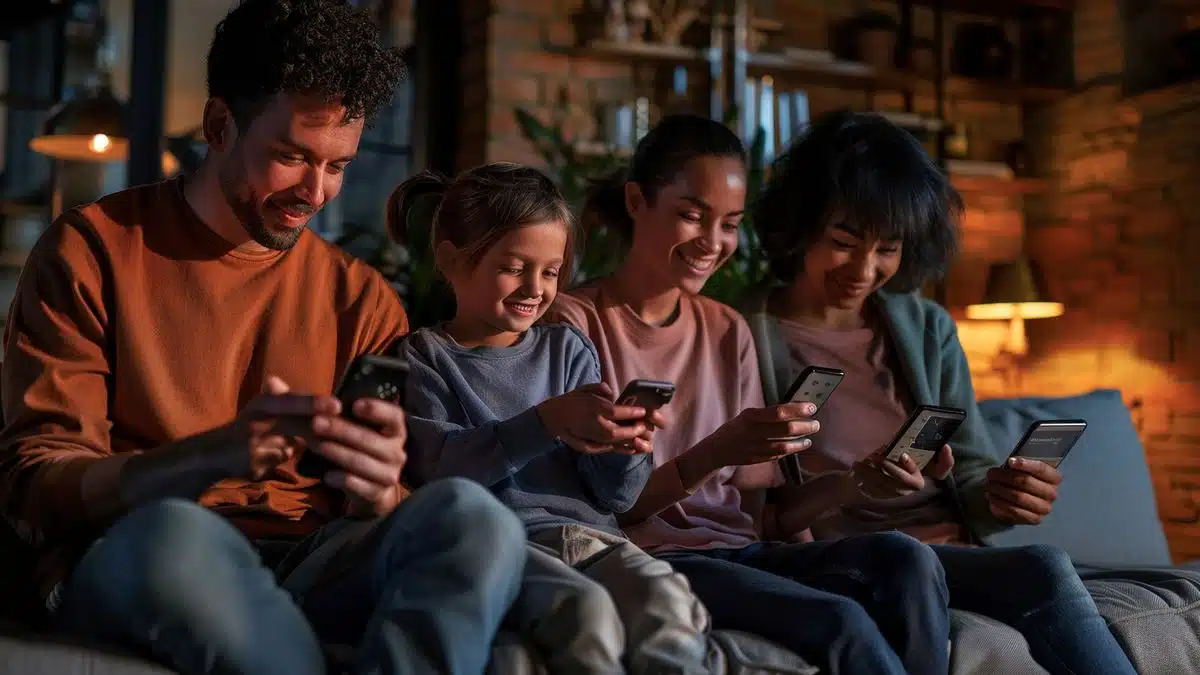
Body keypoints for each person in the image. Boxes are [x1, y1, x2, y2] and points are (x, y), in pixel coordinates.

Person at [0, 2, 526, 674]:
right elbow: (35, 485)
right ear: (220, 126)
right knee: (177, 532)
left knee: (473, 517)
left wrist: (378, 490)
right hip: (140, 544)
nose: (316, 191)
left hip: (307, 559)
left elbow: (385, 501)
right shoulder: (90, 252)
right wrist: (203, 459)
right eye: (291, 156)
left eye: (338, 165)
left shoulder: (360, 297)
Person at [544, 114, 951, 675]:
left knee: (906, 559)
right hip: (655, 556)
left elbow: (762, 519)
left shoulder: (728, 328)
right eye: (692, 216)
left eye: (730, 224)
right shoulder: (573, 324)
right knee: (842, 621)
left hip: (745, 552)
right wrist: (717, 450)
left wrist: (850, 489)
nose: (713, 243)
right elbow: (608, 512)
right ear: (636, 200)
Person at [742, 109, 1138, 675]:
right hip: (851, 559)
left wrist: (1005, 497)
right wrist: (849, 488)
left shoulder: (926, 329)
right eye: (843, 241)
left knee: (1045, 565)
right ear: (800, 227)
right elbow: (755, 505)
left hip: (950, 552)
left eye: (889, 248)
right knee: (960, 563)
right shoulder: (744, 333)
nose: (864, 267)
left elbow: (971, 477)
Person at [392, 163, 711, 675]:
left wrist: (626, 451)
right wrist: (542, 422)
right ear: (453, 261)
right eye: (514, 267)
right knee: (587, 618)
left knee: (666, 600)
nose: (534, 288)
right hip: (505, 544)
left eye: (549, 272)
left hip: (597, 540)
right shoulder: (428, 357)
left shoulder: (568, 350)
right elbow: (440, 473)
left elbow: (618, 497)